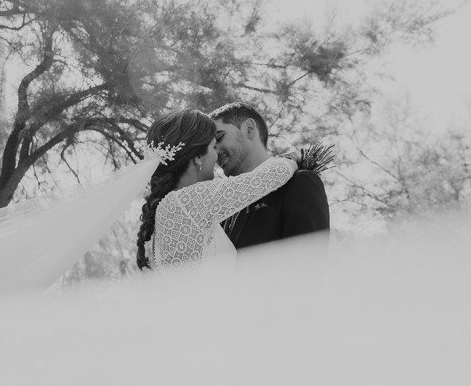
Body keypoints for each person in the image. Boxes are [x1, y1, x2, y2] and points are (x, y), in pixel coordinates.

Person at [135, 109, 298, 269]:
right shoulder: (187, 200)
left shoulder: (172, 205)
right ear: (198, 156)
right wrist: (294, 158)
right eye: (213, 147)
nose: (217, 155)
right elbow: (277, 172)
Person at [209, 102, 330, 249]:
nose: (214, 152)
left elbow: (307, 265)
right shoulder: (224, 208)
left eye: (219, 137)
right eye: (210, 147)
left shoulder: (299, 184)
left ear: (249, 129)